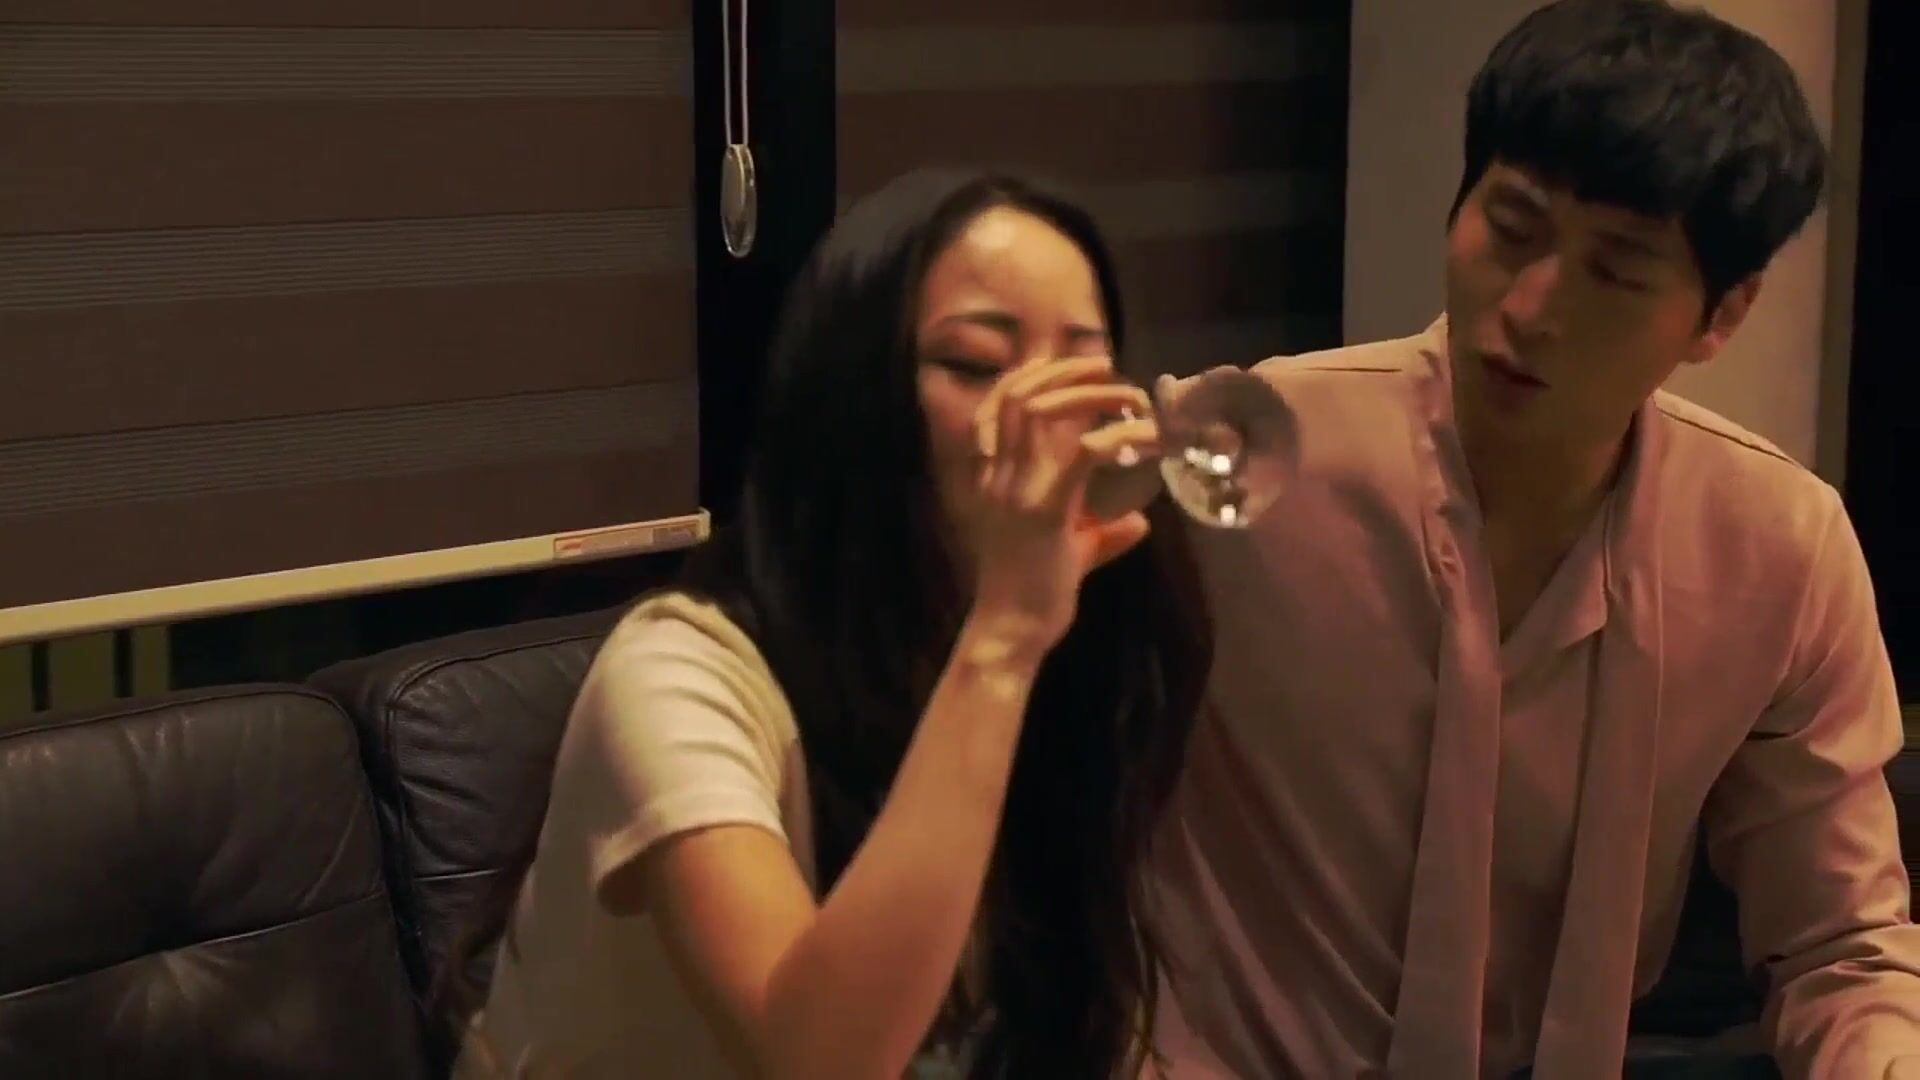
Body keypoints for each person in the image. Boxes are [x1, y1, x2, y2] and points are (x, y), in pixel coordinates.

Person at [1147, 1, 1920, 1077]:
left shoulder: (1776, 550)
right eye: (1511, 229)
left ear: (1721, 315)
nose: (1531, 306)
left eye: (1617, 271)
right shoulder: (1255, 450)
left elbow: (1842, 944)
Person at [446, 169, 1212, 1079]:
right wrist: (1005, 638)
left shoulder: (1077, 639)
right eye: (977, 365)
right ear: (855, 400)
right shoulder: (675, 673)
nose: (1046, 415)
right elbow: (816, 1061)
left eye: (1083, 367)